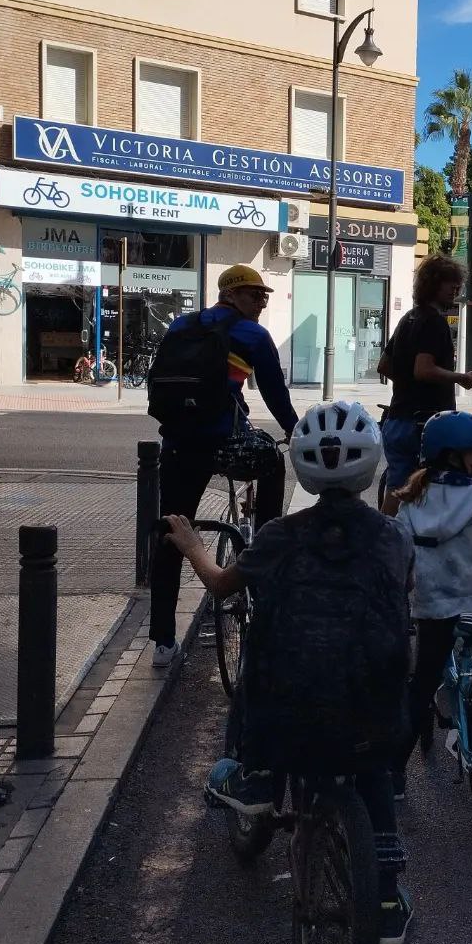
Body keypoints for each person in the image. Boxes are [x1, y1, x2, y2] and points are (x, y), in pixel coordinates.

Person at [163, 400, 415, 944]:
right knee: (372, 777)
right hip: (375, 707)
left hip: (287, 706)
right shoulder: (394, 538)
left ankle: (256, 779)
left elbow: (221, 584)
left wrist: (193, 545)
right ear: (370, 464)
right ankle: (389, 902)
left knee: (267, 656)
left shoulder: (278, 536)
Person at [148, 265, 298, 668]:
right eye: (254, 295)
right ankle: (264, 547)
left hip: (179, 444)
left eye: (265, 296)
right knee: (272, 461)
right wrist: (295, 430)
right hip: (226, 444)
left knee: (173, 530)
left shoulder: (180, 325)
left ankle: (162, 641)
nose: (261, 302)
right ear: (231, 294)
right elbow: (274, 394)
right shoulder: (252, 335)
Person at [392, 411, 472, 793]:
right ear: (452, 455)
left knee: (421, 687)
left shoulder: (411, 503)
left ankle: (395, 776)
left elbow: (400, 553)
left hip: (434, 609)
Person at [377, 256, 472, 515]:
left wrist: (407, 388)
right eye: (452, 285)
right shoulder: (435, 322)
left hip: (397, 418)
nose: (456, 291)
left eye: (458, 286)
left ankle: (381, 542)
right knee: (436, 488)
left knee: (398, 487)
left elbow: (384, 366)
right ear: (434, 284)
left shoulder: (409, 318)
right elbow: (423, 369)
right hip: (425, 424)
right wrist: (461, 378)